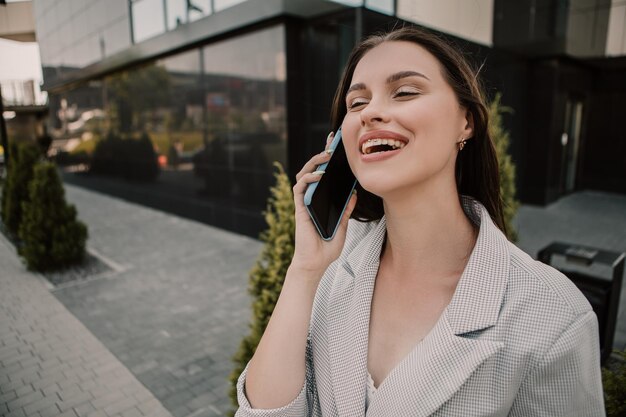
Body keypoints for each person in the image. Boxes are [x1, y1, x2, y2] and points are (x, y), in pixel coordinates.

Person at [235, 26, 605, 416]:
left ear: (467, 122)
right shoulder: (335, 266)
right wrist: (304, 270)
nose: (371, 112)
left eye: (406, 91)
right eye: (357, 102)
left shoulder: (553, 314)